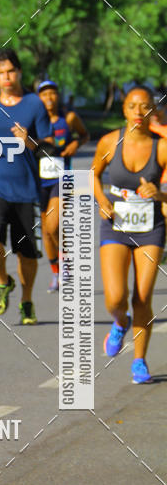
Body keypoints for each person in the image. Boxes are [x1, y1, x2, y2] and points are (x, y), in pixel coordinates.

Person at [0, 49, 53, 324]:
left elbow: (48, 146)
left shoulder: (34, 104)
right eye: (0, 72)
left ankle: (27, 300)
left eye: (10, 71)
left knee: (26, 252)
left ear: (19, 72)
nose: (6, 77)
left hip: (26, 189)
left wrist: (31, 141)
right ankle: (3, 281)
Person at [92, 85, 167, 383]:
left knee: (143, 297)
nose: (139, 111)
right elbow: (93, 174)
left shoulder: (162, 147)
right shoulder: (110, 142)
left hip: (150, 229)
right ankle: (119, 321)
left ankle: (139, 360)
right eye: (133, 105)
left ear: (154, 111)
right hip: (116, 226)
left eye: (145, 106)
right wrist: (102, 202)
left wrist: (159, 194)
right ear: (123, 110)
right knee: (115, 297)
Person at [37, 80, 89, 292]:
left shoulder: (69, 118)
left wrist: (76, 143)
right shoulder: (35, 120)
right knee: (46, 231)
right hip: (40, 179)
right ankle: (57, 273)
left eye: (52, 93)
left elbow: (85, 135)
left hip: (62, 178)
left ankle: (66, 263)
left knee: (54, 225)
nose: (48, 98)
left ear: (58, 96)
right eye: (44, 94)